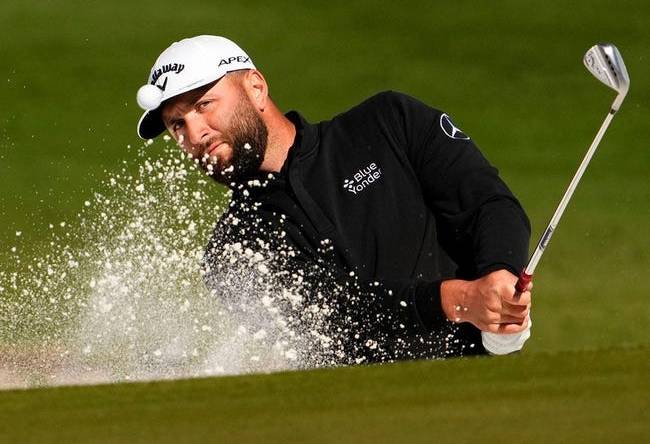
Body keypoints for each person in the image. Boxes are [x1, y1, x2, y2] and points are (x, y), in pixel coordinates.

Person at [135, 35, 532, 364]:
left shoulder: (388, 123)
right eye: (177, 124)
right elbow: (337, 323)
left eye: (204, 105)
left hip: (487, 393)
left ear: (256, 87)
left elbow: (488, 204)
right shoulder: (232, 251)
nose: (194, 134)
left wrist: (499, 276)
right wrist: (457, 300)